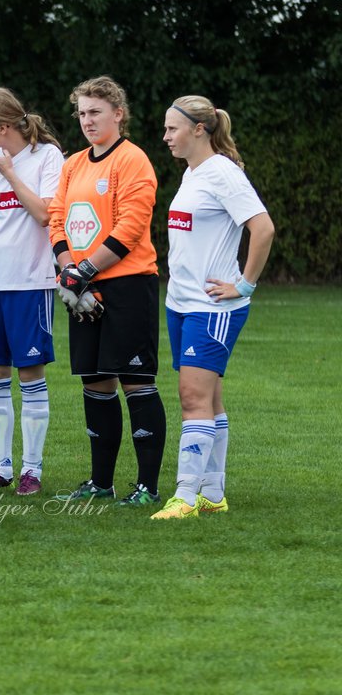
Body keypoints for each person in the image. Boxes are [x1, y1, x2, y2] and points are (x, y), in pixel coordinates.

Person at [48, 76, 168, 507]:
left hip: (126, 284)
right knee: (96, 384)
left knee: (136, 381)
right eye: (81, 113)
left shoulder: (132, 160)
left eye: (95, 112)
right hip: (80, 284)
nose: (87, 120)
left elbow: (132, 226)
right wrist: (69, 271)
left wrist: (83, 270)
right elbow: (57, 217)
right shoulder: (74, 163)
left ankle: (148, 488)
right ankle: (101, 483)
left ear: (118, 113)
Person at [152, 96, 274, 519]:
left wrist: (243, 285)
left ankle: (184, 498)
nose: (165, 136)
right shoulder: (193, 173)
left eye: (172, 129)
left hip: (212, 308)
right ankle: (213, 494)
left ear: (199, 129)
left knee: (192, 398)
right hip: (181, 304)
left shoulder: (222, 173)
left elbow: (263, 228)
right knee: (210, 399)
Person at [0, 89, 64, 496]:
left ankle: (32, 470)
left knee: (31, 376)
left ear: (3, 127)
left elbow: (45, 214)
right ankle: (1, 467)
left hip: (29, 282)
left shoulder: (47, 157)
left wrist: (8, 173)